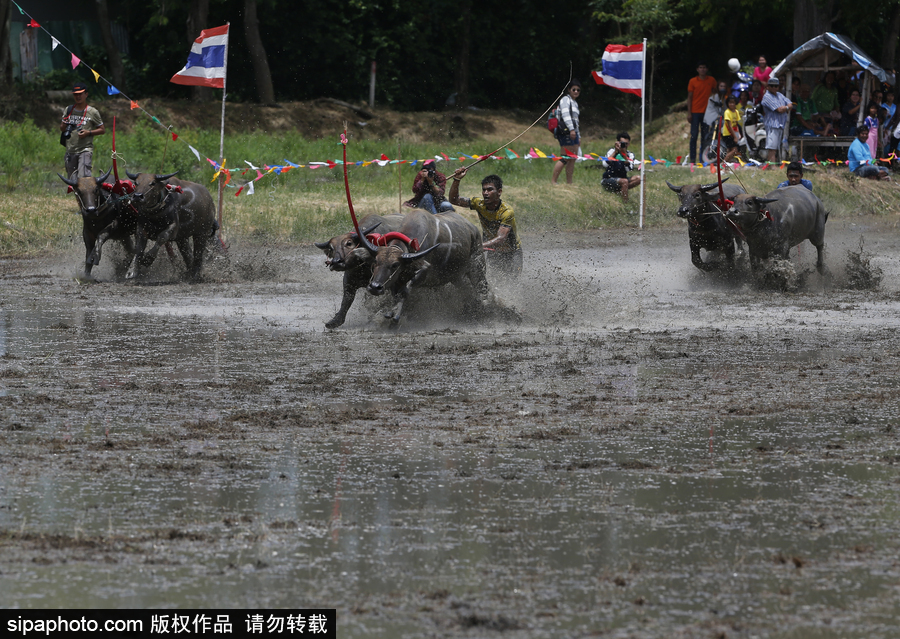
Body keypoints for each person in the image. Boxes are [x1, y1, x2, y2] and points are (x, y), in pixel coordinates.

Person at [448, 169, 523, 277]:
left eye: (490, 189)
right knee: (492, 278)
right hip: (493, 250)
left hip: (512, 252)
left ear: (499, 192)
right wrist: (457, 179)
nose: (485, 193)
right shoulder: (479, 204)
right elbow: (454, 200)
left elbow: (501, 238)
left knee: (513, 281)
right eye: (484, 190)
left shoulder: (507, 212)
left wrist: (479, 246)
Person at [59, 82, 105, 179]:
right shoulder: (69, 109)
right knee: (72, 180)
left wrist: (89, 133)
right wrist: (64, 124)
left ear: (86, 94)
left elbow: (102, 129)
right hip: (70, 149)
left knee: (84, 178)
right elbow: (62, 129)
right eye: (75, 94)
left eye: (80, 94)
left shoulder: (92, 112)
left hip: (85, 149)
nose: (78, 96)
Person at [551, 80, 581, 185]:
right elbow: (565, 115)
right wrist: (571, 129)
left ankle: (569, 183)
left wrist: (578, 135)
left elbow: (576, 121)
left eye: (578, 90)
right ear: (569, 90)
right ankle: (553, 181)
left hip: (574, 133)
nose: (576, 91)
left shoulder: (575, 103)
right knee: (565, 157)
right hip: (566, 132)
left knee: (572, 158)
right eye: (574, 89)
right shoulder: (565, 100)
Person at [687, 62, 717, 164]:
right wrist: (689, 113)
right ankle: (692, 159)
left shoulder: (711, 80)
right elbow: (689, 97)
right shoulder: (693, 81)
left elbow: (715, 94)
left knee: (705, 137)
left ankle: (703, 159)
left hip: (707, 113)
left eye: (704, 67)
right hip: (695, 112)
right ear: (697, 69)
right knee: (694, 136)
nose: (702, 69)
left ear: (707, 69)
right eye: (700, 67)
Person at [601, 132, 641, 202]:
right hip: (609, 178)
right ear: (617, 142)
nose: (624, 145)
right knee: (624, 181)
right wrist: (615, 152)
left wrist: (624, 155)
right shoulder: (611, 151)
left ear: (629, 144)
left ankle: (621, 190)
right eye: (622, 143)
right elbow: (604, 164)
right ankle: (625, 202)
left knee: (639, 178)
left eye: (626, 144)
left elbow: (629, 169)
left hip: (622, 178)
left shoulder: (630, 154)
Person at [761, 76, 791, 162]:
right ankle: (772, 166)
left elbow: (790, 104)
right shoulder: (767, 97)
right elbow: (779, 110)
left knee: (776, 147)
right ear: (768, 87)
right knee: (772, 147)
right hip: (772, 125)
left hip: (780, 125)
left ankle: (772, 164)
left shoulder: (780, 95)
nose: (774, 88)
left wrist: (786, 108)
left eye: (776, 86)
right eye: (772, 86)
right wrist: (786, 108)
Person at [702, 80, 728, 153]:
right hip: (713, 119)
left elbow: (724, 109)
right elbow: (713, 109)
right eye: (721, 86)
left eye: (724, 86)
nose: (723, 88)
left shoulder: (723, 98)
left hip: (719, 119)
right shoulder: (714, 97)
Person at [720, 95, 743, 163]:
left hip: (733, 133)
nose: (732, 104)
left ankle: (726, 166)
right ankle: (723, 163)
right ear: (727, 103)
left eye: (733, 102)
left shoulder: (736, 112)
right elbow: (729, 126)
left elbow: (736, 124)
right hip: (727, 133)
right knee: (735, 150)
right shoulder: (727, 112)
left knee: (729, 150)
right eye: (730, 103)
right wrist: (735, 137)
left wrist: (738, 133)